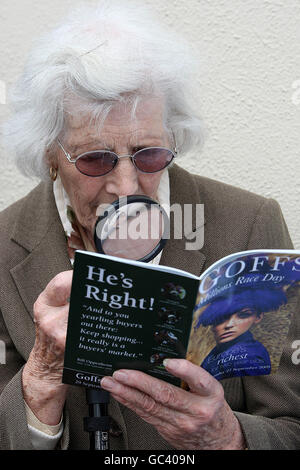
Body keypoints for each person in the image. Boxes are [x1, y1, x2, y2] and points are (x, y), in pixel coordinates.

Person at [0, 1, 299, 450]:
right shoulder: (4, 246)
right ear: (50, 154)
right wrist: (39, 382)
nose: (125, 186)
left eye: (149, 154)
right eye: (95, 158)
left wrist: (228, 437)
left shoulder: (249, 224)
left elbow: (292, 426)